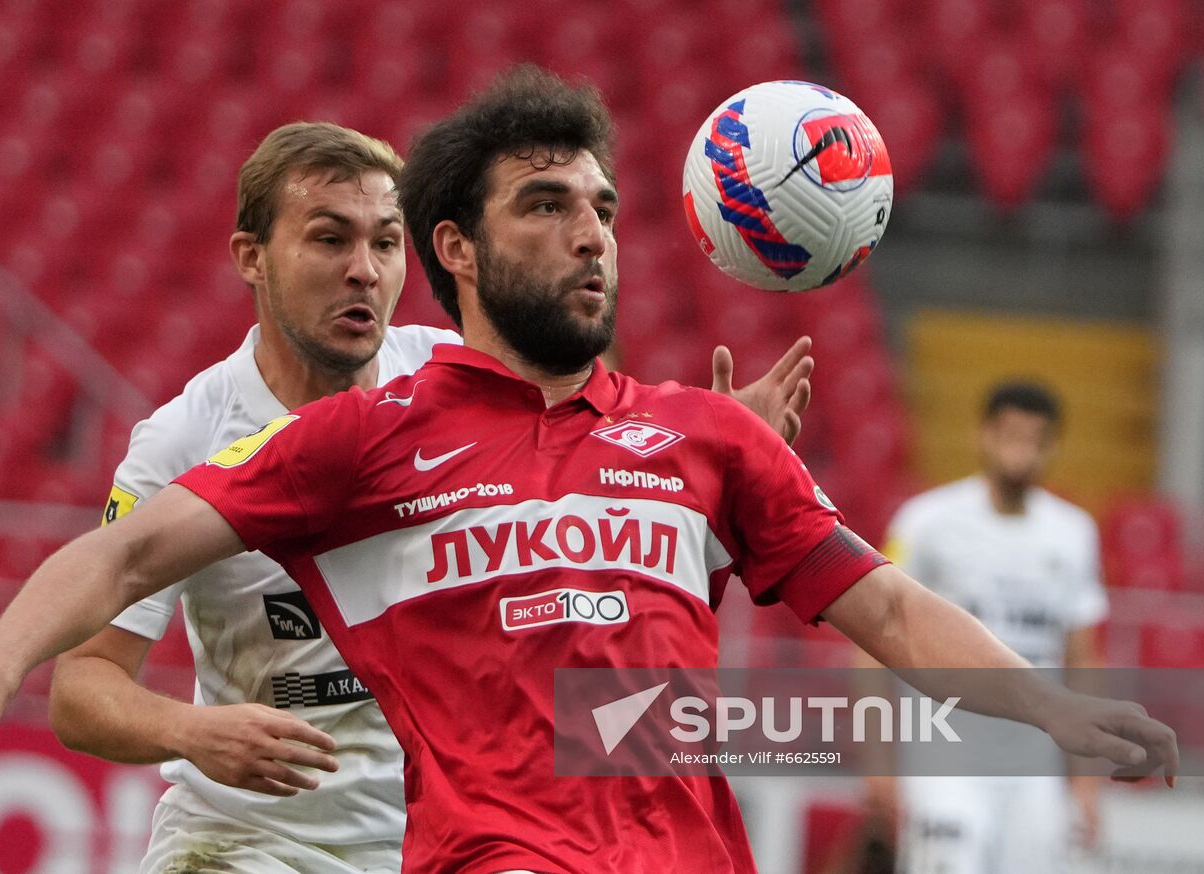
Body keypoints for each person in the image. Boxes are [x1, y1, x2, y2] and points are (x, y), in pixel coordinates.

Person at [0, 68, 1176, 874]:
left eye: (602, 206)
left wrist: (1053, 710)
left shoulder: (701, 438)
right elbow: (123, 553)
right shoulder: (367, 435)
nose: (590, 233)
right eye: (545, 206)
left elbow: (884, 608)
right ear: (469, 249)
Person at [43, 119, 815, 873]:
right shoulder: (184, 440)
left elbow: (593, 489)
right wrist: (191, 732)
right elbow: (81, 688)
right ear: (252, 257)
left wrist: (711, 457)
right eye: (329, 239)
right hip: (248, 844)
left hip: (438, 844)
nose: (364, 271)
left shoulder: (457, 379)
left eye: (384, 243)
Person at [863, 382, 1109, 874]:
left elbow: (1083, 659)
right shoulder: (925, 523)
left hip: (1035, 776)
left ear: (1052, 445)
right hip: (945, 767)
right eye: (1010, 433)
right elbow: (871, 641)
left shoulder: (1075, 534)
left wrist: (1085, 782)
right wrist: (877, 761)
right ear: (984, 434)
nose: (1022, 448)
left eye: (1036, 437)